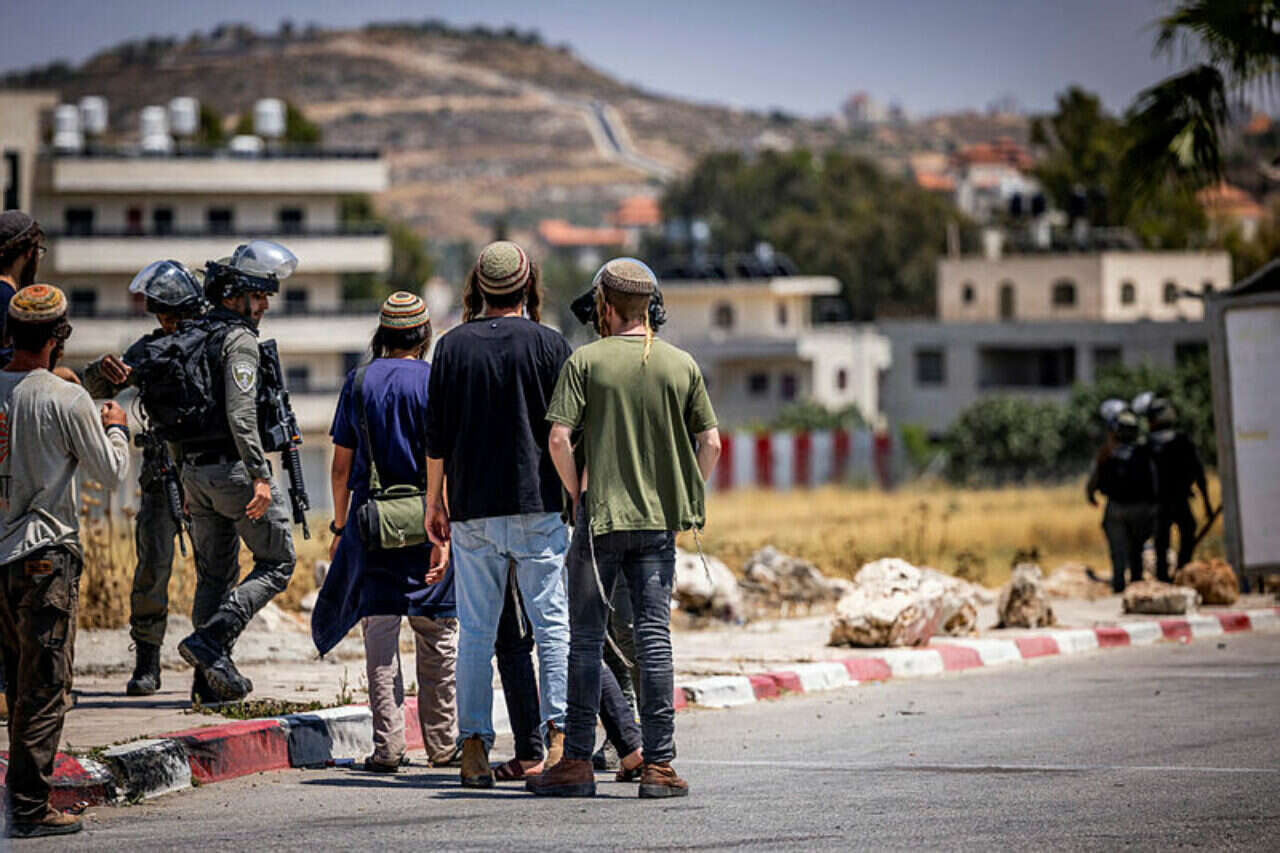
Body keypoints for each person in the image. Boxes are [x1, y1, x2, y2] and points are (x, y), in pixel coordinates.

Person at [534, 257, 721, 799]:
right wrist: (686, 492)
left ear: (606, 305)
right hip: (658, 524)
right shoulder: (681, 364)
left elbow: (558, 439)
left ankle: (576, 763)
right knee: (654, 641)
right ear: (649, 307)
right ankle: (659, 766)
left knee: (586, 640)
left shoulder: (585, 361)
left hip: (599, 522)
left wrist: (576, 493)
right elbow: (710, 443)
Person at [425, 240, 572, 788]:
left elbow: (436, 437)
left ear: (478, 288)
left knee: (476, 634)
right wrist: (573, 494)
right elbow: (565, 433)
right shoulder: (550, 344)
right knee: (551, 625)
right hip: (539, 506)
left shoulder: (451, 347)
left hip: (473, 510)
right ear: (527, 285)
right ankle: (559, 738)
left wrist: (433, 502)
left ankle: (473, 748)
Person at [0, 285, 130, 838]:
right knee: (45, 687)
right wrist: (116, 427)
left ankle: (20, 800)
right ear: (59, 336)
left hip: (2, 559)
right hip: (46, 557)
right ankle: (29, 809)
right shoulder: (67, 399)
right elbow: (111, 473)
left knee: (15, 681)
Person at [313, 292, 457, 771]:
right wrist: (445, 534)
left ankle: (388, 747)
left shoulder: (358, 383)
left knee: (380, 635)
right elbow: (446, 463)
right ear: (424, 334)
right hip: (429, 522)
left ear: (383, 334)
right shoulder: (435, 382)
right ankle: (442, 745)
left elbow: (340, 469)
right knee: (436, 637)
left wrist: (339, 526)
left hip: (371, 524)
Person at [175, 241, 300, 702]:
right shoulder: (240, 341)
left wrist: (184, 478)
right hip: (234, 473)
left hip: (194, 474)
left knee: (214, 576)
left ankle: (208, 686)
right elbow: (241, 415)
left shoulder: (194, 336)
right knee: (278, 562)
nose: (264, 305)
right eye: (259, 296)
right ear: (234, 296)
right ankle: (212, 641)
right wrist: (260, 476)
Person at [82, 260, 208, 696]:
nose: (168, 323)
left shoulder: (212, 345)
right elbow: (94, 388)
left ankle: (210, 661)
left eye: (174, 315)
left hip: (205, 470)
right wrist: (103, 370)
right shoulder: (149, 350)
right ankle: (147, 661)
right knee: (152, 568)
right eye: (162, 316)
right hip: (161, 471)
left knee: (213, 569)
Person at [1087, 411, 1158, 592]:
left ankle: (1119, 585)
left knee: (1118, 551)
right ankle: (1136, 584)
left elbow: (1094, 480)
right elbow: (1154, 480)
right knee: (1137, 549)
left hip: (1115, 508)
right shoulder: (1144, 453)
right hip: (1141, 508)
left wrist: (1091, 496)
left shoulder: (1108, 453)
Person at [1147, 398, 1211, 581]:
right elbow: (1199, 473)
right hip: (1178, 500)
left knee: (1162, 543)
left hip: (1160, 502)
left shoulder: (1148, 445)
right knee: (1187, 533)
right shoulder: (1183, 441)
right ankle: (1182, 570)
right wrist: (1206, 503)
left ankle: (1165, 576)